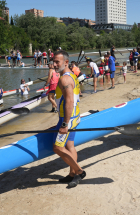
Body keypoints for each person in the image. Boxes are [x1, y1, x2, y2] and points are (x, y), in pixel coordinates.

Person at [52, 50, 86, 187]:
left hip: (69, 118)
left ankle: (79, 171)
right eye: (53, 61)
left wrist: (65, 124)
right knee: (70, 145)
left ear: (66, 62)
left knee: (57, 148)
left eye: (57, 62)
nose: (54, 64)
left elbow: (69, 102)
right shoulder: (72, 75)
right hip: (74, 116)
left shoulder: (65, 79)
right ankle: (72, 174)